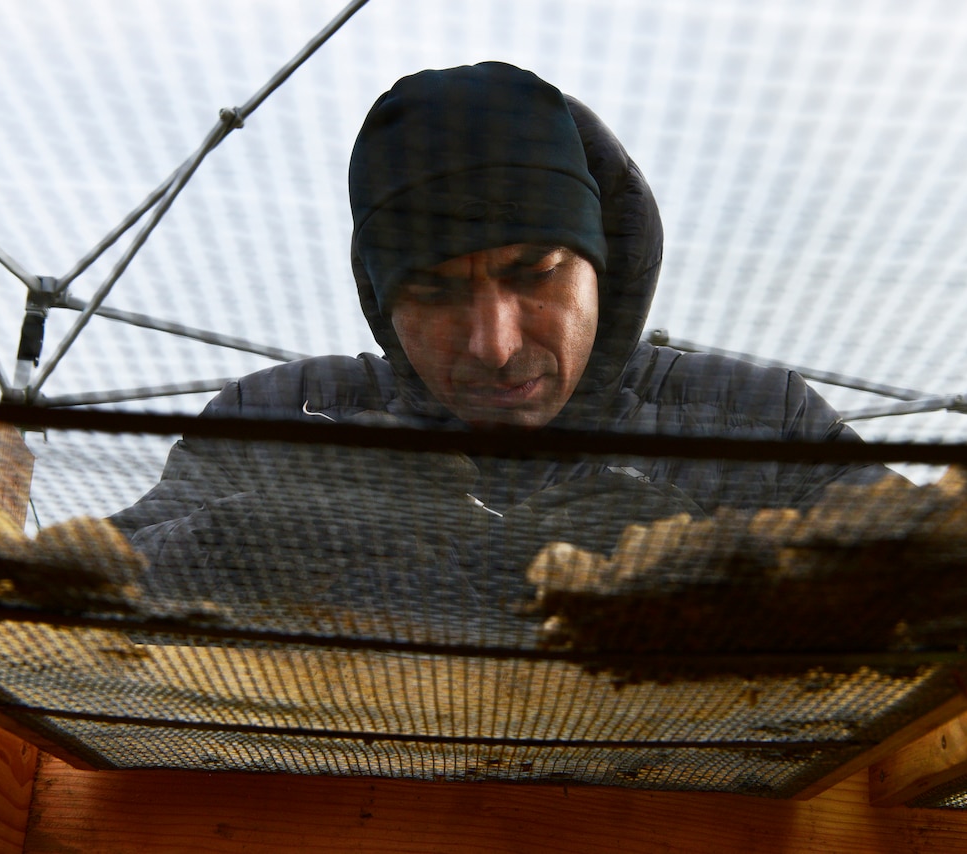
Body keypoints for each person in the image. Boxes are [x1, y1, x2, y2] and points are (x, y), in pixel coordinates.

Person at [109, 62, 895, 638]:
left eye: (536, 274)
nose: (496, 344)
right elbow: (76, 598)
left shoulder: (759, 425)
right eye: (435, 292)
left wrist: (725, 568)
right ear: (383, 303)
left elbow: (952, 593)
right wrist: (259, 536)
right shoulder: (277, 420)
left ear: (603, 265)